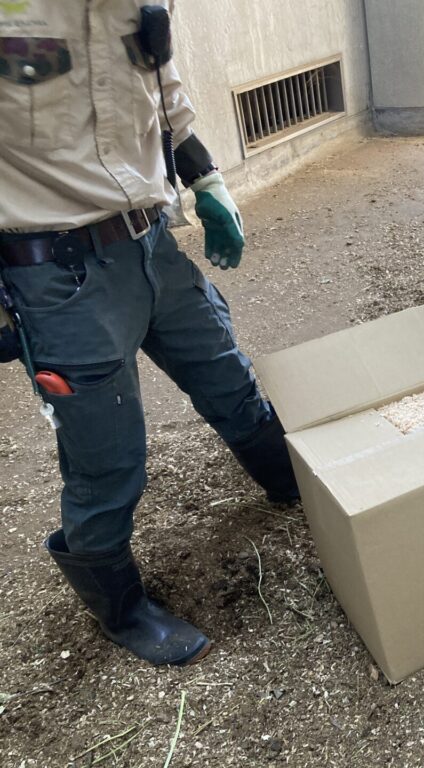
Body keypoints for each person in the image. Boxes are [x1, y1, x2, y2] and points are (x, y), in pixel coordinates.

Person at [0, 1, 299, 666]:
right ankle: (120, 609)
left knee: (228, 377)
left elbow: (165, 95)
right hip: (57, 271)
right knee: (106, 456)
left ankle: (293, 487)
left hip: (152, 242)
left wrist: (207, 180)